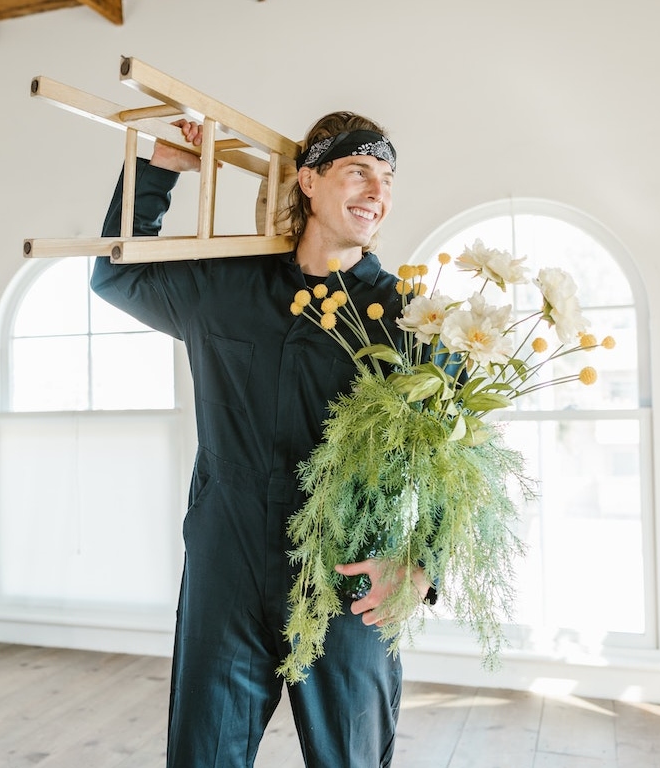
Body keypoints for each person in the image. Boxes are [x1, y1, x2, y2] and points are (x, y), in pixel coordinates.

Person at [92, 111, 431, 767]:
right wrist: (158, 169)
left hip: (348, 573)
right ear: (308, 180)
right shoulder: (226, 285)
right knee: (204, 756)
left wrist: (421, 562)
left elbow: (452, 449)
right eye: (358, 170)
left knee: (351, 757)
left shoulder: (407, 318)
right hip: (229, 560)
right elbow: (116, 275)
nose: (376, 192)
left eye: (387, 178)